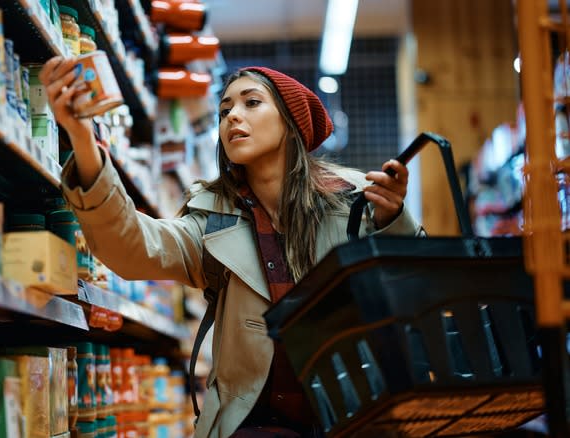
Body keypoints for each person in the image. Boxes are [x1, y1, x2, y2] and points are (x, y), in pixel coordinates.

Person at [40, 58, 423, 437]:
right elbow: (133, 244)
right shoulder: (213, 219)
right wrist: (82, 138)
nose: (232, 117)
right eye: (225, 110)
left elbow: (415, 288)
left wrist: (394, 220)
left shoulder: (354, 200)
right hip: (253, 426)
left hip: (353, 416)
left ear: (291, 122)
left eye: (251, 103)